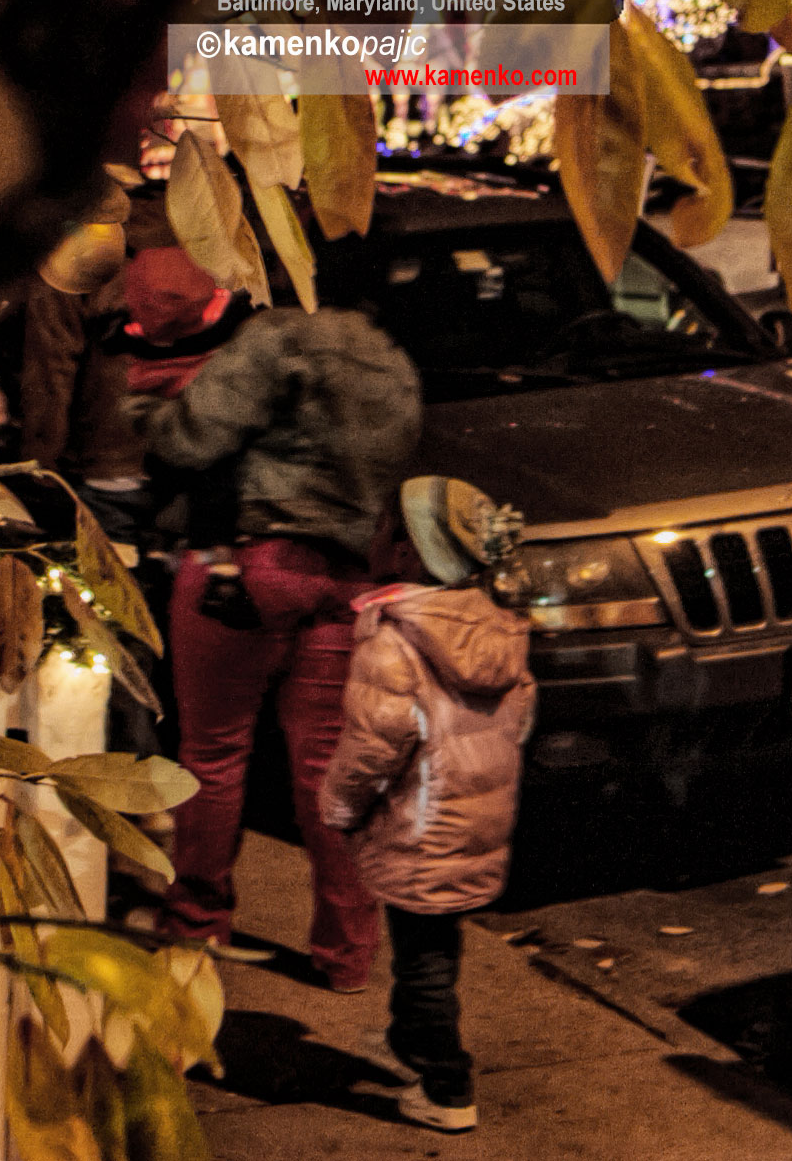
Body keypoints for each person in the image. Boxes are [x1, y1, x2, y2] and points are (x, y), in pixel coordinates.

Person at [141, 299, 422, 991]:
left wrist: (154, 408)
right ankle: (347, 952)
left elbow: (188, 438)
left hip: (248, 568)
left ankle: (197, 927)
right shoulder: (389, 355)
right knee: (331, 767)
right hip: (346, 577)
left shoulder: (275, 335)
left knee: (212, 754)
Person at [318, 478, 538, 1135]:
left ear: (412, 555)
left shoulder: (394, 638)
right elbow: (521, 717)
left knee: (425, 959)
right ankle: (403, 1040)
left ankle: (446, 1082)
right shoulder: (499, 624)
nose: (375, 532)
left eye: (389, 524)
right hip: (476, 820)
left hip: (420, 822)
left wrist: (339, 805)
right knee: (431, 944)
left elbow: (373, 744)